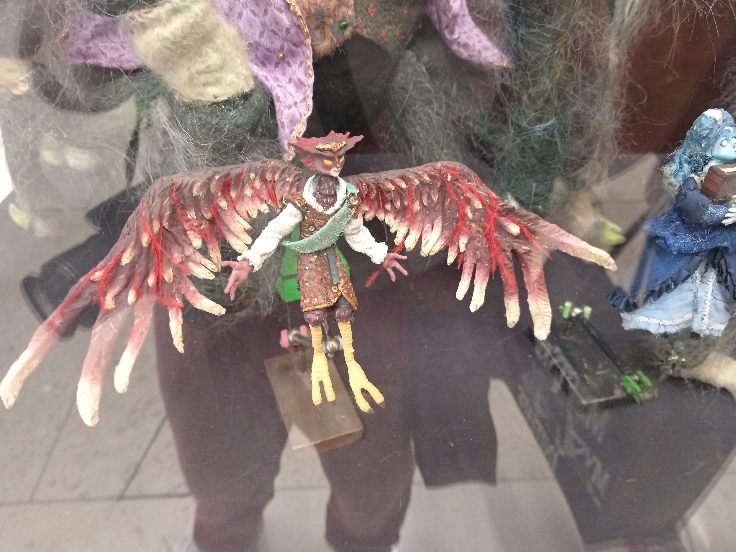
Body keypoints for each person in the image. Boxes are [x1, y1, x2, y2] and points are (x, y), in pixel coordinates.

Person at [224, 131, 407, 413]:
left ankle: (352, 363)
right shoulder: (302, 201)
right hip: (309, 261)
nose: (336, 164)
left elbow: (356, 234)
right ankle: (319, 359)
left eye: (339, 157)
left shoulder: (347, 198)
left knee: (344, 311)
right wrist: (249, 261)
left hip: (332, 258)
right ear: (311, 162)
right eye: (328, 159)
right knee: (315, 314)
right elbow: (275, 231)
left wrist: (380, 254)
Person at [609, 108, 736, 336]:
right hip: (688, 238)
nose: (733, 145)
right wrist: (723, 213)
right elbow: (695, 210)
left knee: (710, 284)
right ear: (709, 145)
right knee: (675, 282)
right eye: (725, 141)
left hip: (718, 245)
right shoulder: (695, 178)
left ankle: (700, 325)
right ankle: (667, 324)